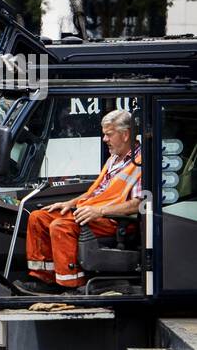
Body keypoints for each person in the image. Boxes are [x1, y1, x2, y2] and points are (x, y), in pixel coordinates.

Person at [23, 108, 142, 291]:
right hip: (93, 213)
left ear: (125, 135)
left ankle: (71, 286)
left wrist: (99, 211)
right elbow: (95, 192)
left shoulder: (141, 162)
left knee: (60, 226)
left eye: (109, 135)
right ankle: (44, 280)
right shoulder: (114, 159)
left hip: (113, 220)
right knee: (38, 218)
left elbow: (139, 204)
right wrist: (70, 203)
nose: (104, 139)